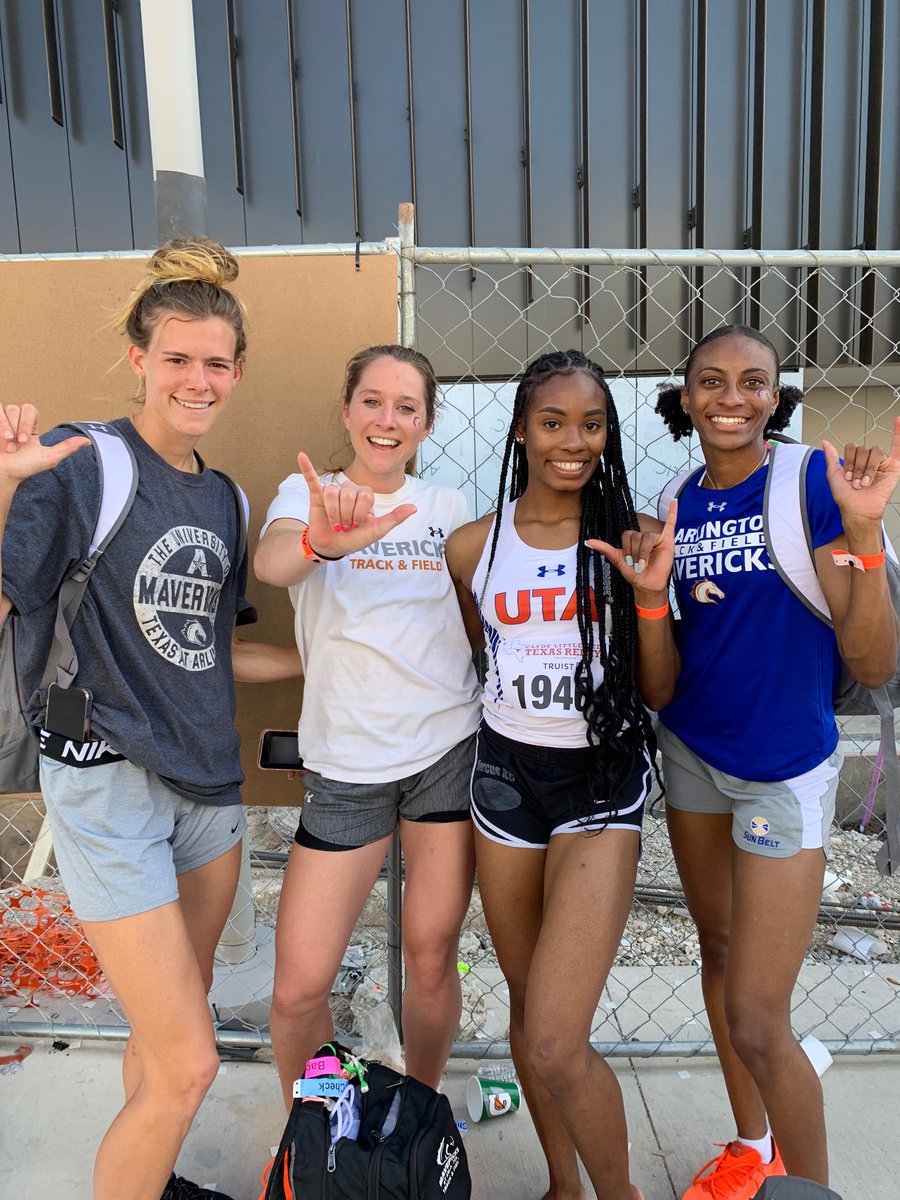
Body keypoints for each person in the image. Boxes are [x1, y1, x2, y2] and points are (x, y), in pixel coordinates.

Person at [0, 238, 302, 1200]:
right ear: (139, 357)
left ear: (239, 370)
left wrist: (325, 663)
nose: (197, 379)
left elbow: (213, 647)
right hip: (109, 783)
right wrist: (6, 485)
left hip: (209, 795)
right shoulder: (81, 467)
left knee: (165, 1032)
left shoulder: (225, 497)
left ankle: (152, 1180)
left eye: (216, 362)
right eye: (177, 358)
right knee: (190, 1063)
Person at [648, 324, 900, 1200]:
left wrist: (866, 532)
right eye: (710, 382)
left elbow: (872, 664)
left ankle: (811, 1192)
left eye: (753, 382)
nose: (730, 397)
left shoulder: (810, 486)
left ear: (776, 396)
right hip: (691, 756)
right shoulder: (675, 494)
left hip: (782, 769)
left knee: (760, 1018)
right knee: (716, 948)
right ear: (684, 398)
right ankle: (751, 1149)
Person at [446, 348, 677, 1200]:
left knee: (552, 1036)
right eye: (553, 423)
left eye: (591, 424)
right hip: (505, 786)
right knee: (522, 1003)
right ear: (520, 429)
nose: (572, 442)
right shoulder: (474, 545)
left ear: (608, 434)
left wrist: (650, 599)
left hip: (599, 788)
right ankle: (562, 1187)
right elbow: (486, 660)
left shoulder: (631, 542)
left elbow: (657, 688)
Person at [254, 344, 481, 1103]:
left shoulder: (447, 508)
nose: (388, 420)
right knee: (298, 989)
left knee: (429, 952)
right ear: (348, 409)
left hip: (446, 748)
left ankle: (420, 1106)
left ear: (427, 422)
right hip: (346, 763)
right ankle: (315, 1127)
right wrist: (323, 540)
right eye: (373, 402)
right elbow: (274, 564)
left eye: (406, 407)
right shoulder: (306, 491)